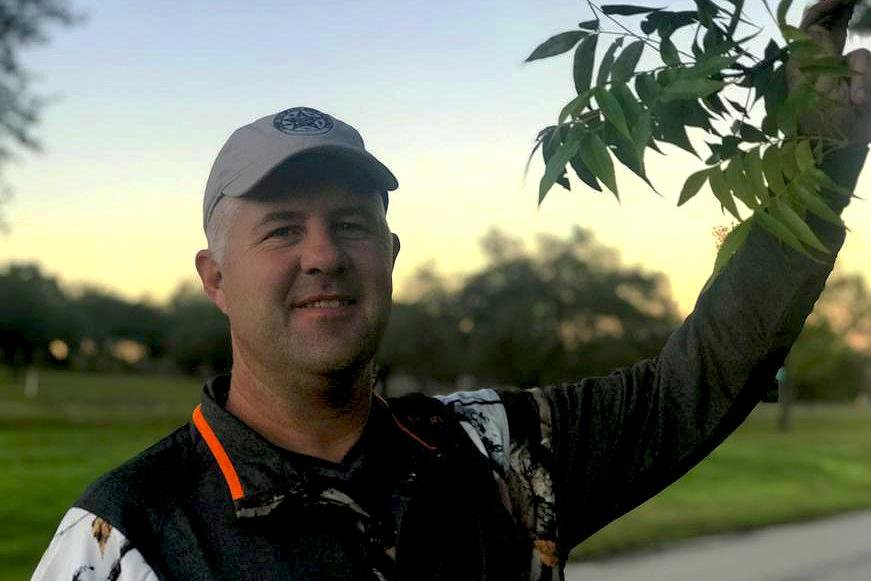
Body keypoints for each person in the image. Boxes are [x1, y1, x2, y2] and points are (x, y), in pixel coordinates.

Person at [32, 1, 871, 579]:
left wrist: (817, 172)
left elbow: (698, 380)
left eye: (352, 225)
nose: (323, 254)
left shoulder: (498, 452)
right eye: (282, 228)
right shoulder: (125, 539)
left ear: (390, 253)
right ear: (213, 278)